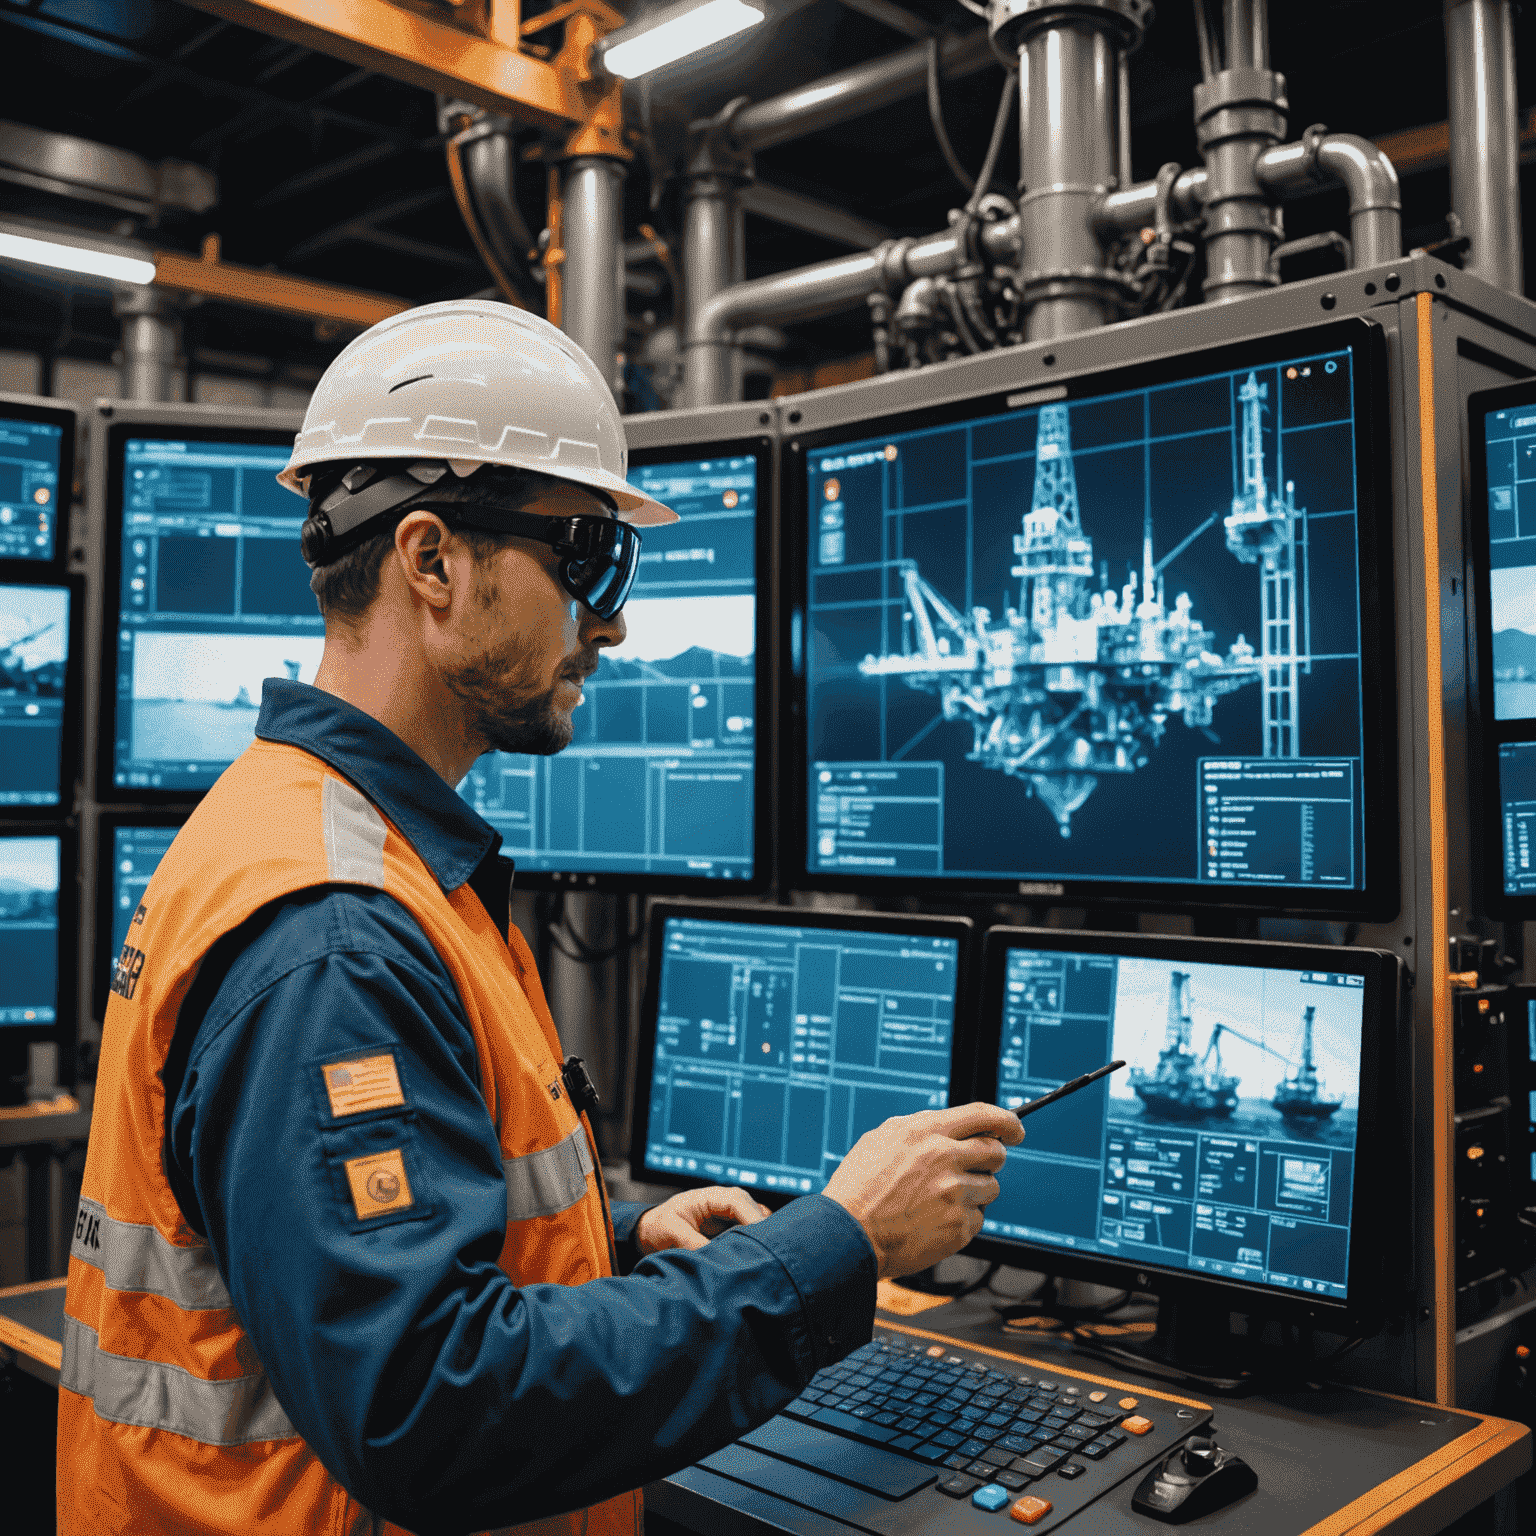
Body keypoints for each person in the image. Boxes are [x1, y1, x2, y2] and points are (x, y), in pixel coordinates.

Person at [58, 301, 1024, 1536]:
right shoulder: (335, 934)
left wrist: (612, 1238)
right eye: (583, 556)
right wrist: (834, 1246)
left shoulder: (330, 838)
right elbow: (430, 1409)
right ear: (432, 562)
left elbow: (360, 1259)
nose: (610, 622)